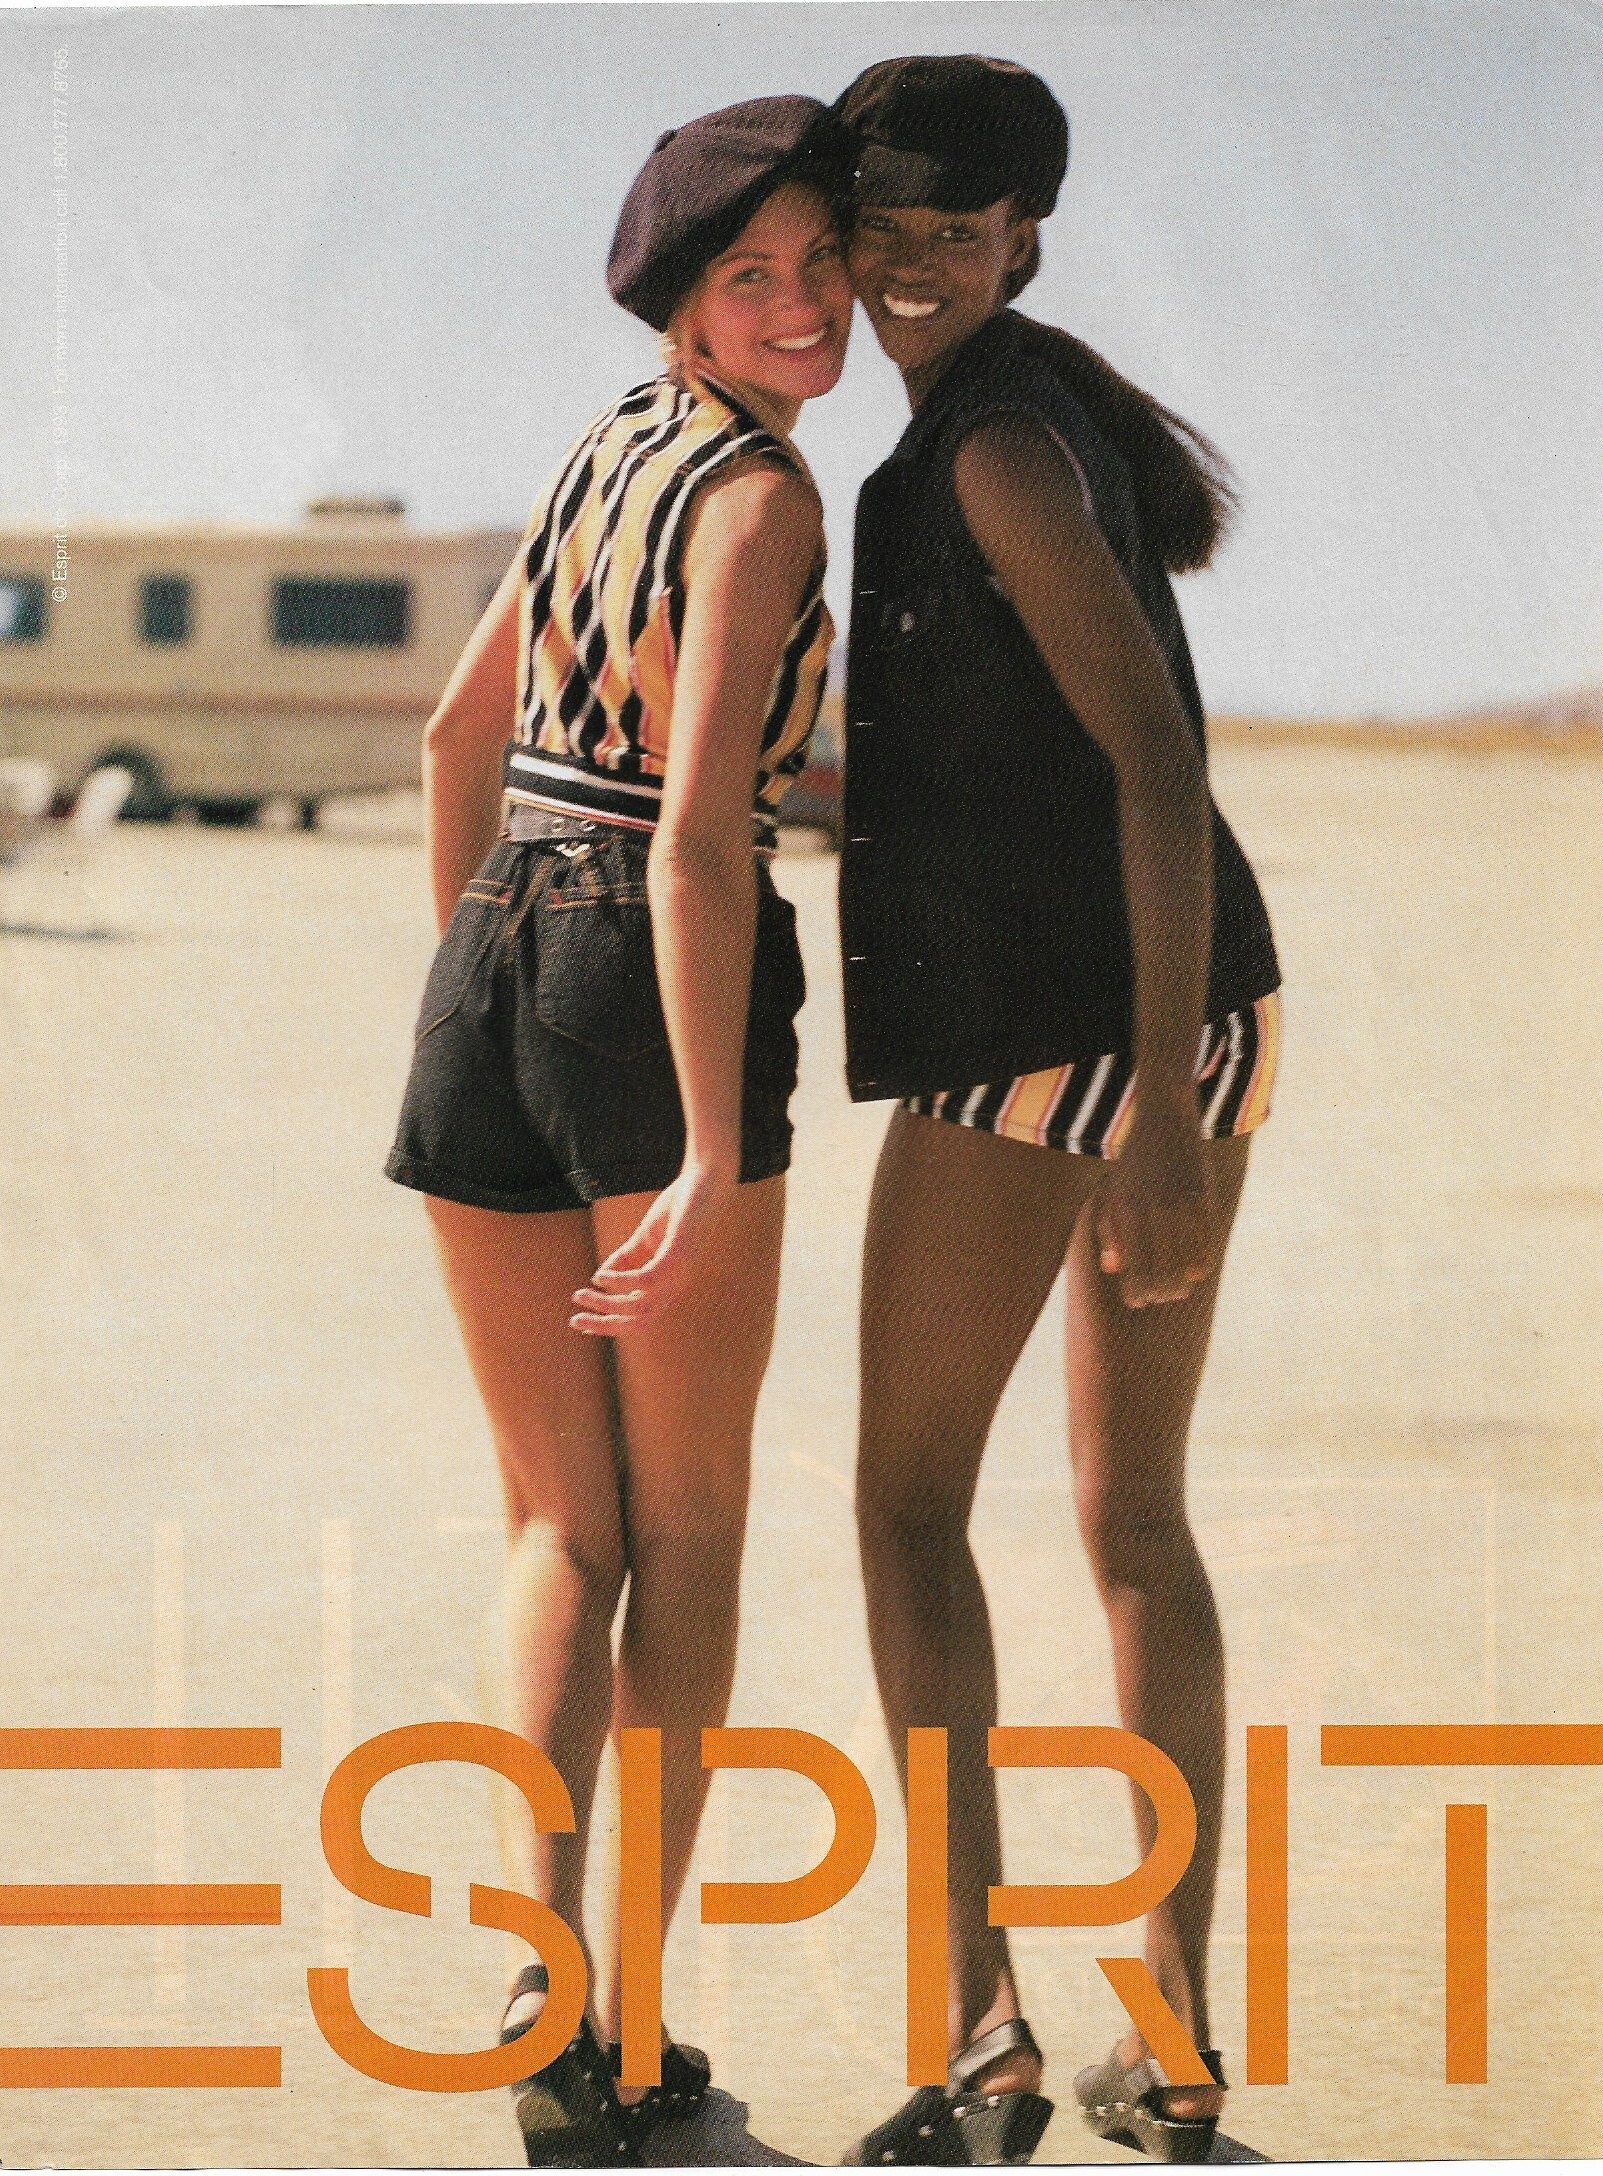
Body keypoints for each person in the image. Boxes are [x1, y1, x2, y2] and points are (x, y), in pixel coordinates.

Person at [384, 96, 853, 2167]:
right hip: (658, 984)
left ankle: (531, 1959)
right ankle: (632, 2016)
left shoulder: (603, 446)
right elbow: (695, 844)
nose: (802, 305)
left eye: (821, 264)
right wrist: (700, 1144)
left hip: (493, 951)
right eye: (752, 274)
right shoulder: (760, 496)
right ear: (681, 300)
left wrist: (479, 975)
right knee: (692, 1534)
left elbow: (453, 736)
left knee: (555, 1526)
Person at [832, 56, 1283, 2168]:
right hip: (1188, 1006)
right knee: (1135, 1521)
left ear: (1024, 242)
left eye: (957, 228)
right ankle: (1167, 2043)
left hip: (1074, 1032)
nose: (911, 264)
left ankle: (980, 2036)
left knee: (907, 1508)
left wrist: (1156, 1125)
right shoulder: (1020, 420)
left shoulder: (996, 447)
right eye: (883, 225)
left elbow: (1158, 763)